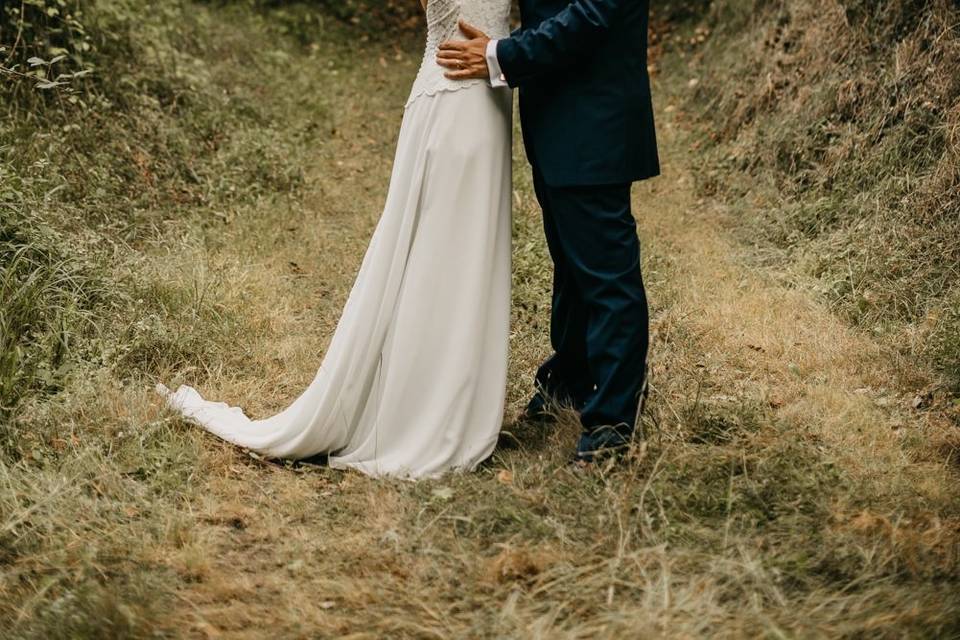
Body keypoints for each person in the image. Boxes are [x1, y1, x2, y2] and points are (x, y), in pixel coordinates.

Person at [158, 0, 514, 478]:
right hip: (456, 96)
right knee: (438, 260)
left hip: (477, 98)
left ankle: (448, 398)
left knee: (460, 258)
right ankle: (420, 409)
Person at [436, 0, 660, 464]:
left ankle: (612, 425)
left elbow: (594, 13)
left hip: (593, 120)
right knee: (572, 266)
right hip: (557, 118)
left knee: (606, 278)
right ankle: (567, 384)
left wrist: (502, 55)